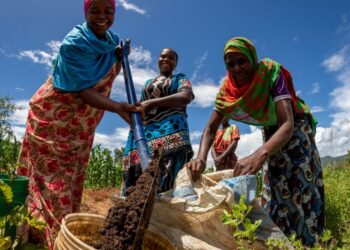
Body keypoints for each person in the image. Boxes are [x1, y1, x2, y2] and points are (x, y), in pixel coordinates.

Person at [16, 0, 141, 248]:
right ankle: (52, 242)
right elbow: (82, 90)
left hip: (79, 130)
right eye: (94, 10)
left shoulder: (110, 41)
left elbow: (109, 62)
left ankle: (49, 238)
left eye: (109, 11)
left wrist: (119, 55)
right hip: (52, 121)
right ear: (85, 12)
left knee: (70, 184)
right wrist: (117, 107)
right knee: (52, 187)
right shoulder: (73, 43)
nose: (102, 16)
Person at [185, 37, 324, 245]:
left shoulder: (269, 72)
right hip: (271, 130)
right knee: (274, 183)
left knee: (299, 181)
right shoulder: (226, 91)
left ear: (253, 58)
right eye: (230, 64)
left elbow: (287, 123)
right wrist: (201, 158)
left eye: (242, 61)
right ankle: (278, 240)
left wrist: (259, 154)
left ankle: (308, 240)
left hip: (295, 127)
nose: (237, 68)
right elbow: (211, 128)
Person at [122, 48, 194, 195]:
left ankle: (165, 204)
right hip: (146, 132)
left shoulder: (179, 78)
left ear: (175, 63)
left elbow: (186, 96)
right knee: (140, 174)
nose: (166, 59)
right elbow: (142, 105)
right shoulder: (149, 83)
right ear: (158, 60)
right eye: (163, 56)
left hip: (171, 129)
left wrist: (152, 103)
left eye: (171, 58)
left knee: (168, 171)